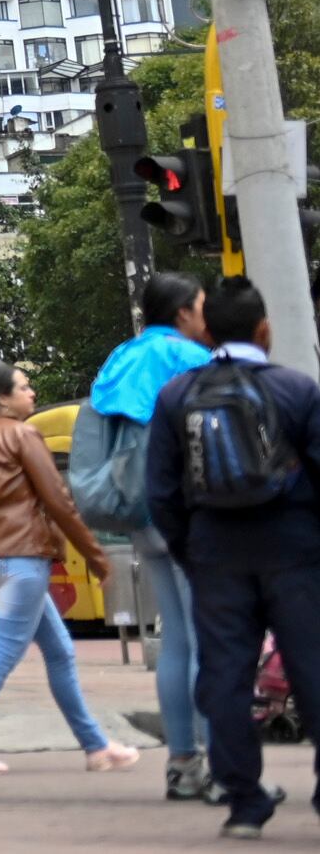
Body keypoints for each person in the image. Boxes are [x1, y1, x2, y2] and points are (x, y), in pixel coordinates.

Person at [147, 276, 320, 840]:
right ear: (264, 329)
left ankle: (244, 801)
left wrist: (191, 549)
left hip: (215, 553)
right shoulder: (297, 389)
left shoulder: (176, 396)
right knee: (312, 669)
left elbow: (161, 492)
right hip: (295, 552)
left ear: (208, 331)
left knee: (224, 674)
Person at [0, 355, 133, 778]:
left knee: (59, 651)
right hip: (22, 561)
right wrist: (96, 556)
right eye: (23, 387)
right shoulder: (21, 436)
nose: (32, 393)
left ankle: (97, 747)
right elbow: (59, 501)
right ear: (3, 401)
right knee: (6, 648)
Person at [89, 269, 216, 799]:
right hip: (192, 512)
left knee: (176, 642)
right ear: (184, 313)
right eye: (203, 307)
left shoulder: (121, 358)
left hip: (141, 514)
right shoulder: (192, 359)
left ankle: (182, 763)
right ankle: (215, 763)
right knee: (208, 640)